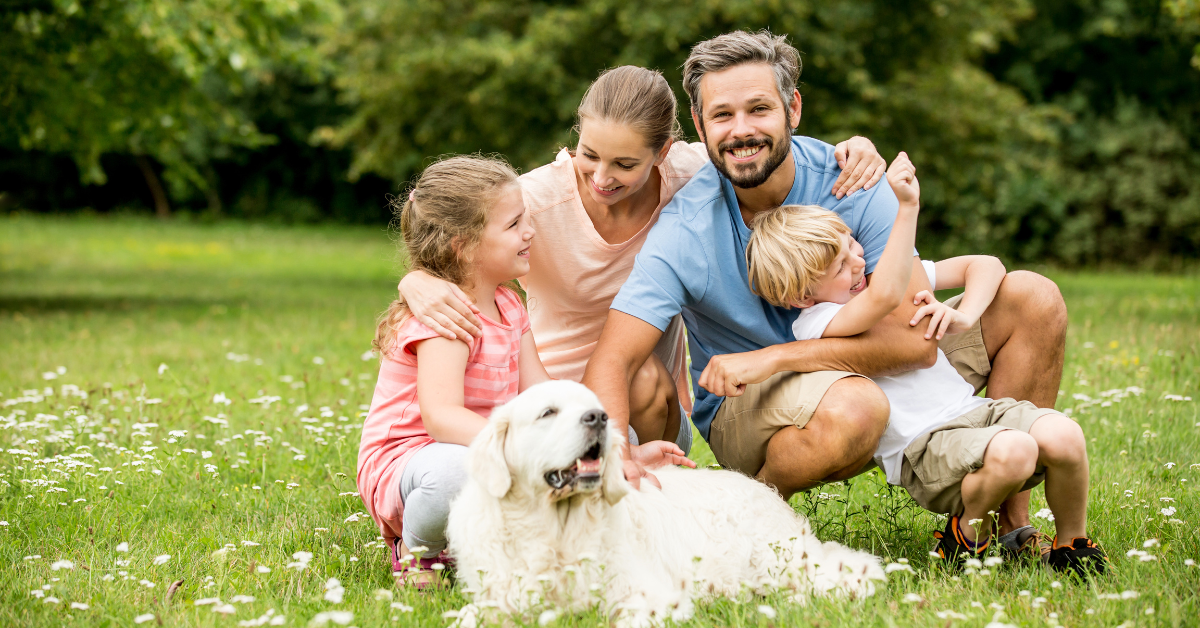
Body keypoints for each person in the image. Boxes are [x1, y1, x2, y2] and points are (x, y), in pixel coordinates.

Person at [582, 30, 1069, 560]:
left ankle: (1006, 523)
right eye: (721, 115)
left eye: (759, 109)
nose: (741, 130)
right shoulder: (686, 230)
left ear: (792, 108)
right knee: (856, 404)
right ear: (699, 125)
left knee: (1032, 298)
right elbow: (612, 359)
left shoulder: (853, 182)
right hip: (753, 405)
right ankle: (753, 521)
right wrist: (613, 453)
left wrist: (773, 357)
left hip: (847, 364)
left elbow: (915, 346)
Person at [396, 66, 886, 474]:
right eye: (588, 155)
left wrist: (856, 146)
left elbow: (757, 147)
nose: (602, 178)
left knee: (645, 376)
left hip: (648, 403)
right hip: (546, 391)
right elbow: (448, 229)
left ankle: (649, 498)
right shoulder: (532, 202)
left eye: (625, 164)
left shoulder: (690, 177)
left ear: (663, 153)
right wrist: (415, 278)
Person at [745, 153, 1107, 577]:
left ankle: (1073, 547)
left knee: (1067, 436)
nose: (859, 262)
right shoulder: (817, 323)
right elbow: (882, 296)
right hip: (924, 447)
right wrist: (906, 209)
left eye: (853, 245)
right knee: (1016, 449)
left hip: (975, 412)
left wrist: (965, 314)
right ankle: (966, 537)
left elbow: (986, 265)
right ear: (803, 297)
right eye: (841, 267)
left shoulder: (875, 281)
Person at [356, 155, 555, 589]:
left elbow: (539, 391)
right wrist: (518, 447)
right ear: (461, 244)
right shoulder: (445, 318)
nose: (529, 232)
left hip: (479, 445)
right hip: (413, 462)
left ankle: (478, 540)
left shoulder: (508, 304)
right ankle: (418, 552)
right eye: (513, 224)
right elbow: (441, 418)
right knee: (457, 471)